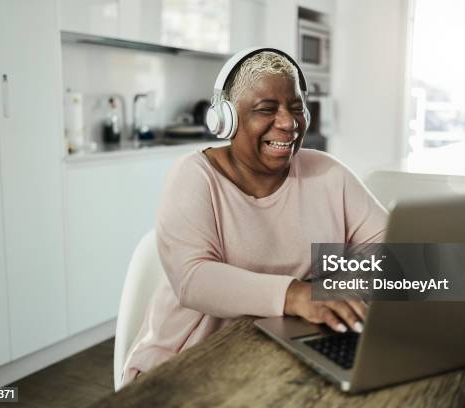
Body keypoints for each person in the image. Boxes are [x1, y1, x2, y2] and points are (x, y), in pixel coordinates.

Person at [121, 49, 388, 387]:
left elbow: (390, 250)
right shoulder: (195, 176)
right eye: (266, 109)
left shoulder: (328, 173)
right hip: (186, 363)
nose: (289, 123)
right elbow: (193, 279)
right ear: (226, 119)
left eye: (295, 108)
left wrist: (332, 289)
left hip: (286, 349)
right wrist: (295, 295)